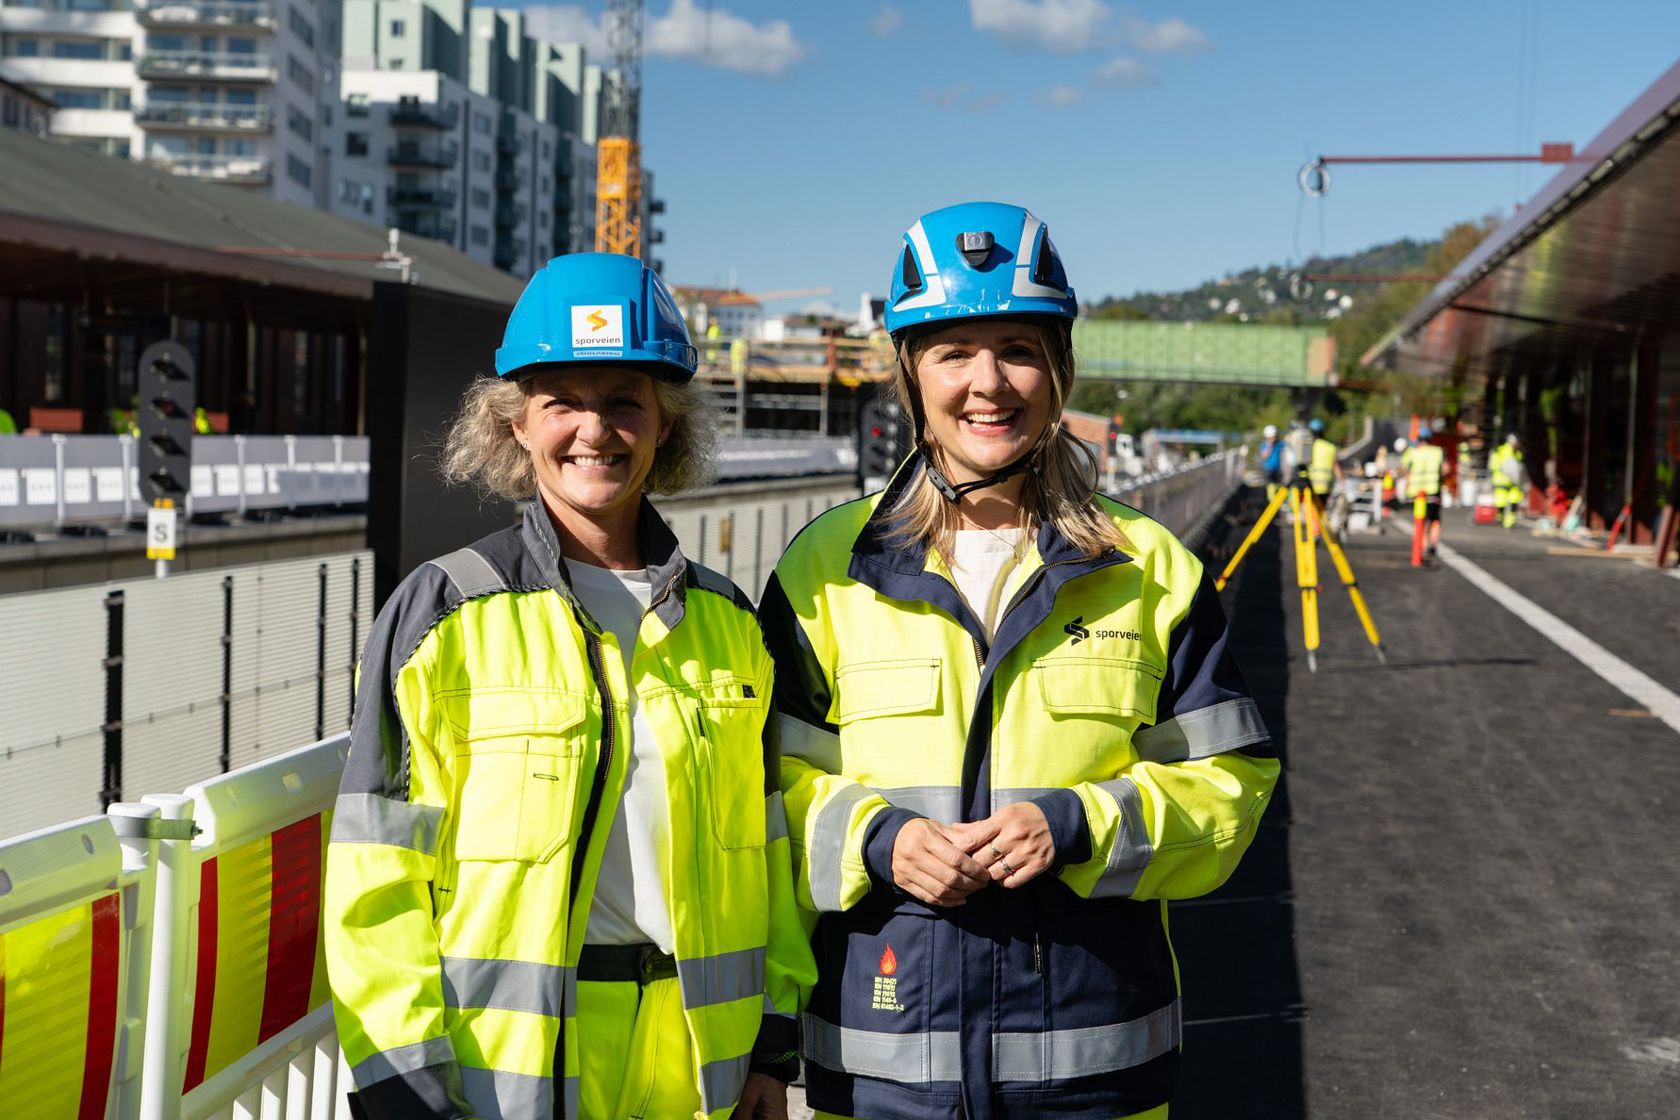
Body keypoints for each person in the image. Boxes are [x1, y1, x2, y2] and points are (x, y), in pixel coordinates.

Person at [760, 202, 1280, 1120]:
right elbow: (759, 792)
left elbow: (1232, 785)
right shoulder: (822, 573)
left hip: (1092, 1080)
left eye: (1018, 348)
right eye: (953, 351)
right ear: (910, 376)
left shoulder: (1151, 572)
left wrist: (1081, 826)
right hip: (884, 1077)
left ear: (1060, 369)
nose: (987, 383)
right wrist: (879, 841)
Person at [324, 253, 815, 1120]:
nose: (596, 430)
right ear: (516, 425)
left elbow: (769, 856)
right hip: (507, 1078)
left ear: (666, 425)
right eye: (563, 404)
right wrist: (403, 1087)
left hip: (705, 1074)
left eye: (625, 401)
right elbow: (379, 873)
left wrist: (775, 1050)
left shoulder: (731, 625)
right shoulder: (445, 612)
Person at [1400, 425, 1446, 558]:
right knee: (1435, 519)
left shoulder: (1412, 452)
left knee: (1421, 520)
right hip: (1433, 491)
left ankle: (1424, 545)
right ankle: (1433, 543)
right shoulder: (1438, 451)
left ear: (1419, 439)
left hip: (1416, 492)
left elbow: (1405, 471)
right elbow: (1445, 469)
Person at [1489, 432, 1527, 529]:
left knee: (1515, 499)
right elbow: (1494, 465)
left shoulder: (1518, 453)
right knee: (1501, 501)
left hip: (1514, 483)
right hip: (1502, 481)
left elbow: (1519, 468)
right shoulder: (1500, 451)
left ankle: (1510, 522)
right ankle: (1500, 518)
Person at [1257, 423, 1284, 498]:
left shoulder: (1280, 444)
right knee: (1271, 487)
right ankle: (1271, 501)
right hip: (1268, 469)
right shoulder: (1264, 445)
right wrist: (1270, 445)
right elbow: (1264, 456)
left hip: (1279, 469)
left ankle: (1279, 500)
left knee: (1279, 485)